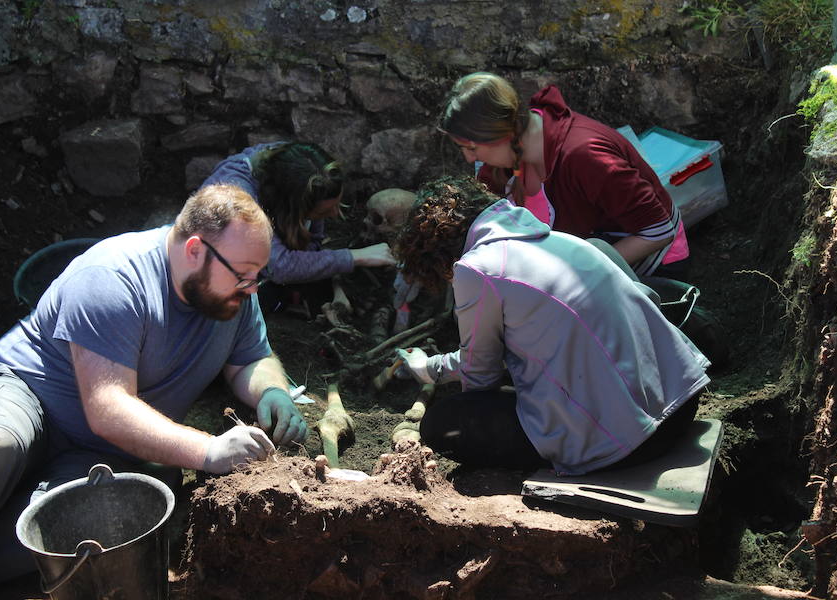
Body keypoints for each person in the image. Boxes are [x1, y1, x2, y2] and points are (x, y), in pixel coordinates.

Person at [0, 183, 308, 587]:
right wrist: (209, 450)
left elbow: (251, 358)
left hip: (100, 450)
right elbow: (109, 408)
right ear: (194, 250)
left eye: (258, 276)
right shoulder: (113, 279)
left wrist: (272, 391)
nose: (253, 288)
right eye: (244, 276)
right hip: (27, 395)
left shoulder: (234, 291)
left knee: (103, 519)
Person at [393, 176, 710, 475]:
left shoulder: (477, 268)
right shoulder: (561, 240)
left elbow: (481, 378)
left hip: (629, 442)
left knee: (443, 422)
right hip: (681, 404)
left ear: (436, 252)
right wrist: (435, 366)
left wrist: (428, 369)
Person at [439, 71, 690, 278]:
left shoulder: (585, 157)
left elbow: (657, 231)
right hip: (580, 251)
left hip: (647, 264)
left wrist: (568, 275)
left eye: (472, 148)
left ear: (502, 134)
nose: (469, 158)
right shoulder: (505, 159)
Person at [202, 141, 397, 314]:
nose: (336, 215)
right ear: (292, 208)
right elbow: (280, 268)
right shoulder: (236, 201)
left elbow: (313, 240)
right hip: (212, 269)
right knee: (263, 299)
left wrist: (313, 261)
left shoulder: (298, 165)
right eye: (323, 213)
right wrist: (355, 257)